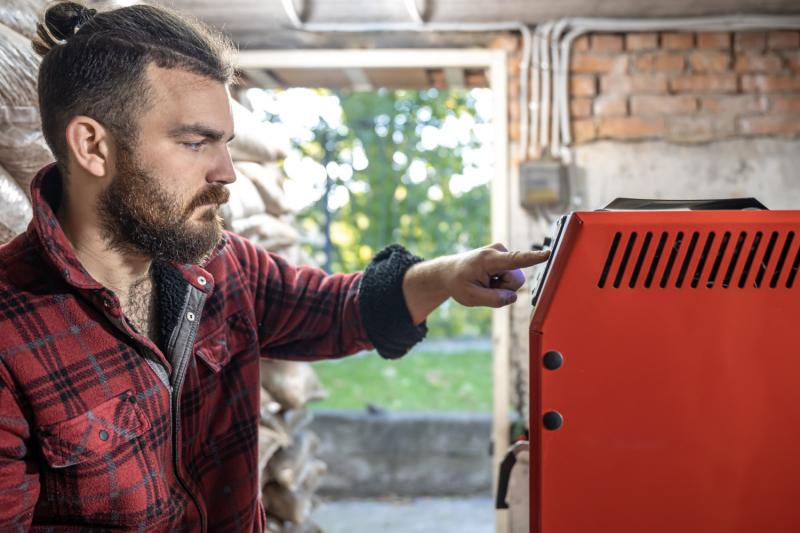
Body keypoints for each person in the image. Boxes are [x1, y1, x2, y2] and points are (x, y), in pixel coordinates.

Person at [0, 2, 549, 531]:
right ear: (93, 147)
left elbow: (340, 310)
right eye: (196, 142)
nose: (228, 172)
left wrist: (450, 274)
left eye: (227, 144)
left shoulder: (224, 267)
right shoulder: (9, 333)